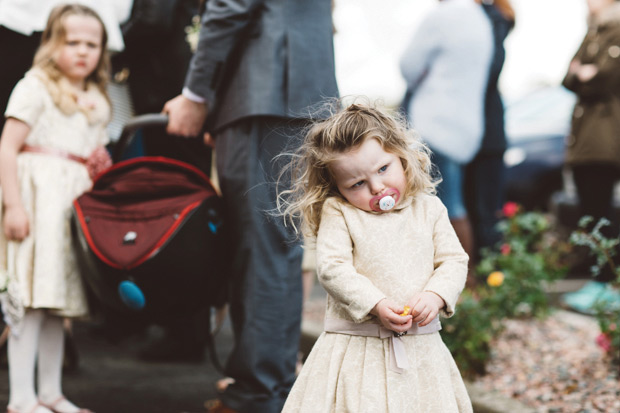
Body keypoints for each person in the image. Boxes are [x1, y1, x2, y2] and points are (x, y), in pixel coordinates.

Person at [162, 0, 339, 412]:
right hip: (287, 88)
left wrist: (196, 94)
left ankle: (258, 393)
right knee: (275, 248)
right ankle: (268, 387)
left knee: (262, 249)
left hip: (266, 88)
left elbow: (231, 6)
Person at [277, 101, 471, 412]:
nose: (377, 187)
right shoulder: (339, 211)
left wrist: (436, 295)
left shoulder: (429, 208)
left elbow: (453, 260)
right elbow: (332, 268)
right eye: (357, 184)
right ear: (338, 187)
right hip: (356, 348)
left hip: (419, 349)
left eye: (383, 169)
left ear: (401, 156)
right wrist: (375, 304)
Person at [0, 4, 111, 413]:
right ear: (52, 44)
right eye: (72, 42)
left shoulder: (98, 98)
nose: (83, 51)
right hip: (35, 203)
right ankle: (21, 398)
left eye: (92, 44)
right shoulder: (35, 86)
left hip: (69, 209)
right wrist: (13, 204)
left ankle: (50, 392)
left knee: (55, 304)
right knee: (28, 301)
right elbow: (7, 147)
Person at [400, 0, 493, 279]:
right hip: (465, 129)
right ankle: (464, 281)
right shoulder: (480, 19)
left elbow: (408, 66)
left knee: (435, 208)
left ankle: (455, 283)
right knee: (455, 205)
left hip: (433, 123)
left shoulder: (442, 16)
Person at [561, 0, 620, 313]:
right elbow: (568, 77)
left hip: (604, 141)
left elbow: (605, 78)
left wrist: (587, 73)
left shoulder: (616, 28)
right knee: (591, 213)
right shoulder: (593, 30)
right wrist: (583, 73)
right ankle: (600, 282)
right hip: (585, 141)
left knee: (600, 215)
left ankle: (607, 285)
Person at [464, 0, 516, 263]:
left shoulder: (493, 19)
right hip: (467, 133)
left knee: (486, 212)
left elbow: (488, 71)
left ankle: (492, 280)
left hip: (487, 135)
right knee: (471, 209)